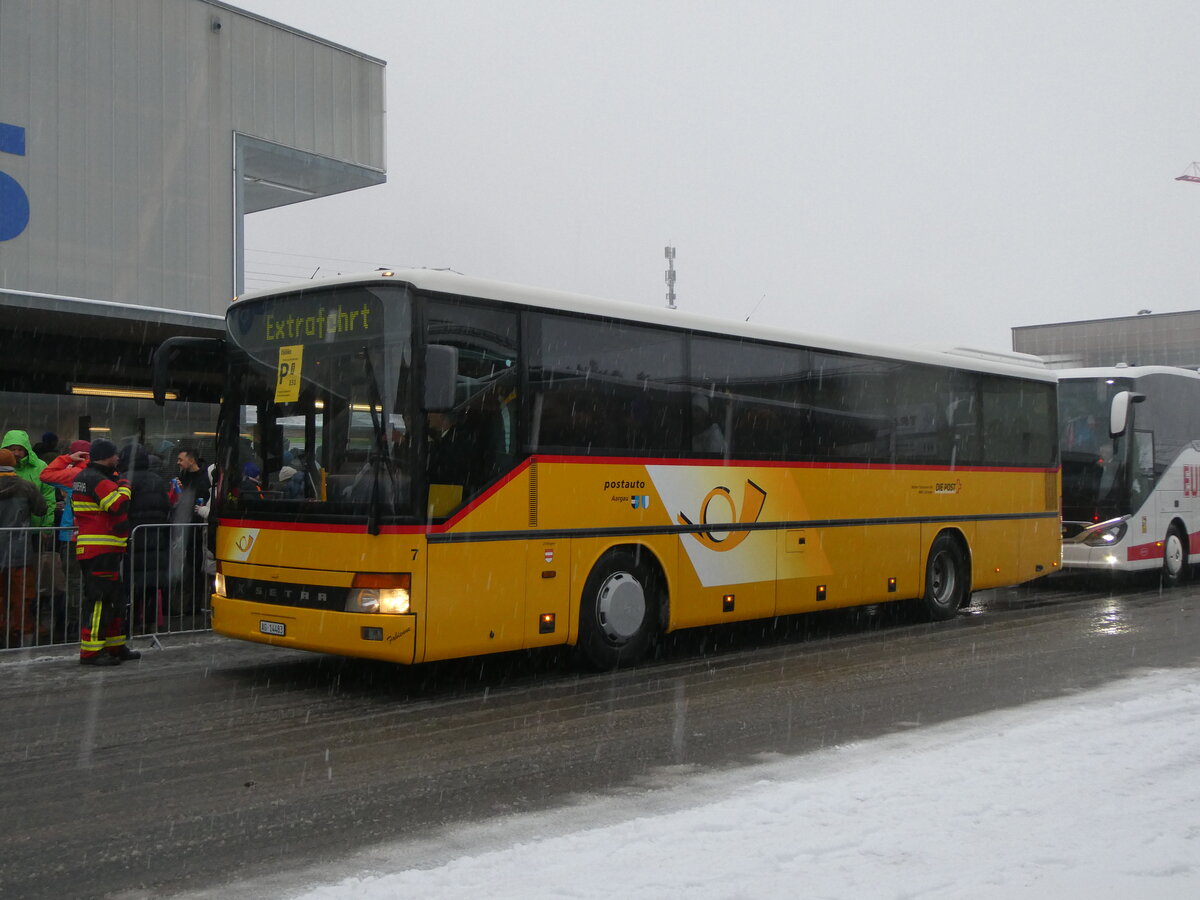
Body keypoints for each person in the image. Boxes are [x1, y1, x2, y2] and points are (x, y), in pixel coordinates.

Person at [73, 438, 138, 666]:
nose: (118, 458)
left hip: (97, 549)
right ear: (107, 456)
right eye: (115, 455)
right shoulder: (97, 480)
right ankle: (91, 651)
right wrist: (126, 486)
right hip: (101, 550)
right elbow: (118, 505)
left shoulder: (84, 477)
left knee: (114, 598)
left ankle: (114, 646)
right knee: (101, 600)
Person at [119, 444, 171, 633]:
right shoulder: (156, 480)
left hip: (132, 539)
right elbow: (166, 506)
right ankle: (149, 622)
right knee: (151, 584)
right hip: (155, 539)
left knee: (130, 585)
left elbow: (121, 507)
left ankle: (129, 623)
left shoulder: (124, 479)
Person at [0, 447, 48, 647]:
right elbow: (41, 509)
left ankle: (2, 630)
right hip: (19, 550)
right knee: (22, 596)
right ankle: (22, 630)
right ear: (13, 464)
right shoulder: (26, 486)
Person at [1, 429, 56, 530]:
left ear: (27, 450)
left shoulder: (40, 467)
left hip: (34, 528)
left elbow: (49, 498)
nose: (16, 453)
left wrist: (47, 526)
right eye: (12, 449)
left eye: (20, 449)